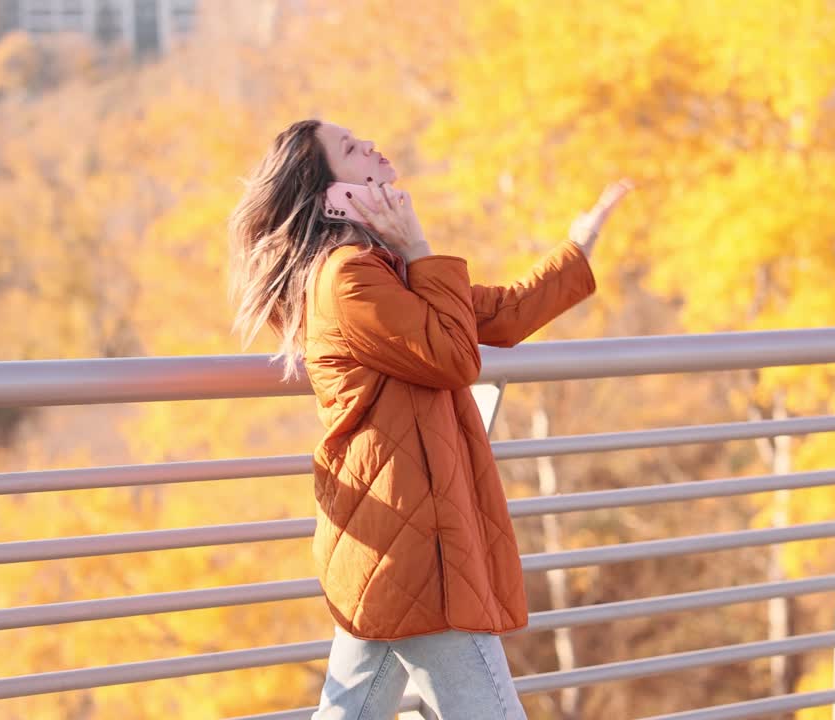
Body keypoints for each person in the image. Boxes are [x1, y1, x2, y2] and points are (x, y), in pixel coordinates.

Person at [228, 119, 631, 719]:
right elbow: (453, 356)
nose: (370, 146)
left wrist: (579, 246)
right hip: (415, 546)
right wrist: (419, 247)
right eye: (350, 149)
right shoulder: (348, 279)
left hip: (397, 542)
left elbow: (499, 316)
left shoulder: (376, 270)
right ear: (331, 194)